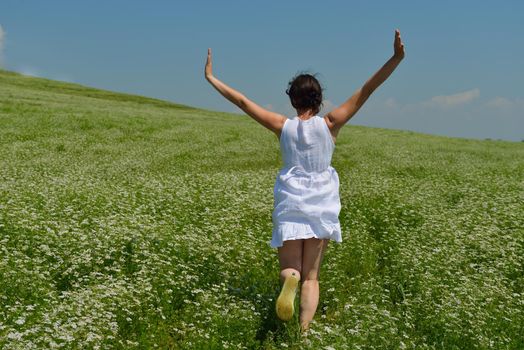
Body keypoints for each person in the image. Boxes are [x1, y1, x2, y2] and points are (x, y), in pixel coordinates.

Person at [204, 29, 405, 331]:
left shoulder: (281, 126)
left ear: (292, 99)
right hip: (321, 203)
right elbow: (367, 89)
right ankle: (304, 332)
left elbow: (244, 103)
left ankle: (290, 281)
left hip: (291, 200)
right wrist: (396, 58)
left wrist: (211, 77)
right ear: (319, 99)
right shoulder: (331, 124)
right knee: (313, 277)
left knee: (291, 269)